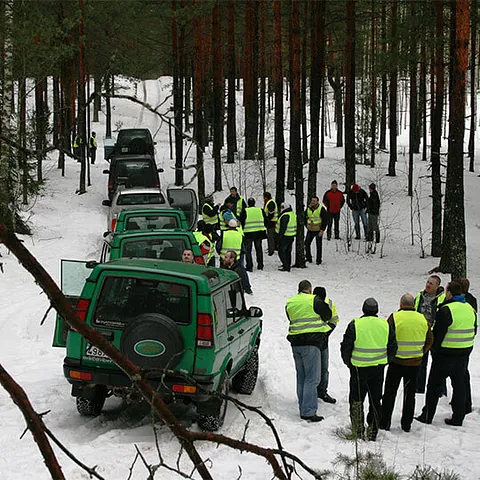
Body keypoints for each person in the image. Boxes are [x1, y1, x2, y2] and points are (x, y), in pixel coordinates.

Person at [415, 281, 477, 426]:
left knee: (433, 386)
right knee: (459, 386)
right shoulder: (470, 309)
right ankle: (458, 417)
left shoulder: (446, 310)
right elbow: (474, 330)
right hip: (463, 354)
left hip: (444, 355)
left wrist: (434, 351)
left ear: (449, 293)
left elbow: (437, 334)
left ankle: (427, 415)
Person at [340, 298, 397, 441]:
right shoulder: (385, 325)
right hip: (377, 369)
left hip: (358, 369)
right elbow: (393, 347)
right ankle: (373, 431)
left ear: (363, 310)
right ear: (376, 311)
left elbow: (346, 347)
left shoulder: (355, 324)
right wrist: (385, 362)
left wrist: (350, 364)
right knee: (375, 400)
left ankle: (358, 430)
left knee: (356, 400)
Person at [379, 293, 433, 433]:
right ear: (413, 305)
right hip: (414, 364)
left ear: (401, 304)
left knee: (389, 393)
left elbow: (386, 336)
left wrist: (389, 355)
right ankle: (406, 424)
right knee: (410, 395)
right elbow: (429, 340)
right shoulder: (422, 319)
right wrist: (421, 353)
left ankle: (384, 422)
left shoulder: (395, 317)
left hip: (396, 362)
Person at [286, 280, 333, 422]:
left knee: (301, 376)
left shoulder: (290, 302)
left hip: (295, 343)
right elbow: (327, 315)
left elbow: (291, 318)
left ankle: (303, 406)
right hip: (311, 343)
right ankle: (308, 411)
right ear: (310, 290)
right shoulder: (314, 300)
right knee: (312, 378)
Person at [415, 275, 446, 394]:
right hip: (421, 333)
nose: (428, 285)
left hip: (436, 334)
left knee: (438, 363)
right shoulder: (419, 296)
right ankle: (419, 389)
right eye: (427, 282)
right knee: (421, 362)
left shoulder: (442, 298)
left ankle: (440, 390)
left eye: (431, 284)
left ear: (437, 286)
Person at [454, 278, 477, 415]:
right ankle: (465, 403)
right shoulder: (472, 300)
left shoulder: (463, 303)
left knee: (460, 376)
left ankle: (463, 403)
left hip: (455, 344)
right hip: (467, 343)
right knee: (463, 374)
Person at [313, 286, 339, 404]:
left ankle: (322, 390)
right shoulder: (310, 303)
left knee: (323, 368)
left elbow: (334, 320)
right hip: (314, 339)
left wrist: (326, 333)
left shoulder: (328, 303)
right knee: (320, 368)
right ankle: (315, 391)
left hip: (322, 339)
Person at [243, 198, 267, 272]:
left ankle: (249, 266)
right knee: (259, 249)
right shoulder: (260, 210)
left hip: (248, 233)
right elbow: (265, 220)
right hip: (259, 233)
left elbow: (241, 221)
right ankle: (260, 265)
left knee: (248, 250)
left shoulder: (245, 211)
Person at [304, 196, 328, 266]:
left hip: (318, 230)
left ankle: (318, 260)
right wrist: (306, 225)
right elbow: (305, 217)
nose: (312, 202)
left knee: (318, 245)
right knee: (307, 244)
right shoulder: (308, 209)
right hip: (310, 230)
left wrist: (322, 230)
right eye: (312, 200)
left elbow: (325, 220)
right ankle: (308, 258)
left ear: (317, 202)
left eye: (314, 201)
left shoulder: (321, 209)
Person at [276, 203, 297, 272]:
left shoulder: (285, 216)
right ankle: (287, 264)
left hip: (285, 236)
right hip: (291, 235)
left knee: (281, 251)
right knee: (288, 251)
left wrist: (279, 238)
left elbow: (283, 228)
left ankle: (286, 266)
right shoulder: (293, 214)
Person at [263, 192, 278, 256]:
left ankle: (271, 250)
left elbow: (271, 213)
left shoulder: (270, 203)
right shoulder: (270, 202)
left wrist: (267, 220)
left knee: (270, 237)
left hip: (271, 222)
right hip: (272, 222)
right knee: (271, 237)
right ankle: (271, 248)